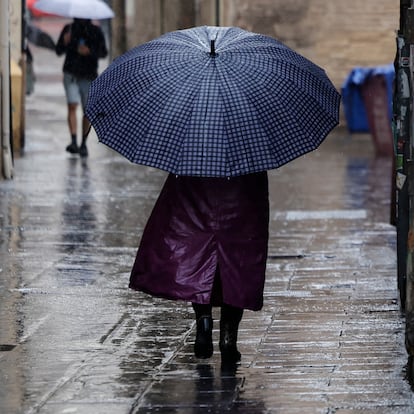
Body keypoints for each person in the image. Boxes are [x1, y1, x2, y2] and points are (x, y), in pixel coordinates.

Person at [129, 172, 269, 363]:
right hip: (242, 193)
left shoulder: (191, 151)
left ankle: (204, 318)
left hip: (196, 190)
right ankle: (228, 337)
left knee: (199, 255)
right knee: (238, 265)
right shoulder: (251, 149)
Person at [56, 18, 108, 157]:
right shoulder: (69, 29)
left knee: (87, 111)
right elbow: (58, 50)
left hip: (88, 75)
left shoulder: (96, 31)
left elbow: (103, 52)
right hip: (71, 73)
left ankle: (83, 143)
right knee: (72, 105)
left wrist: (89, 52)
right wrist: (64, 42)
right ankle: (73, 140)